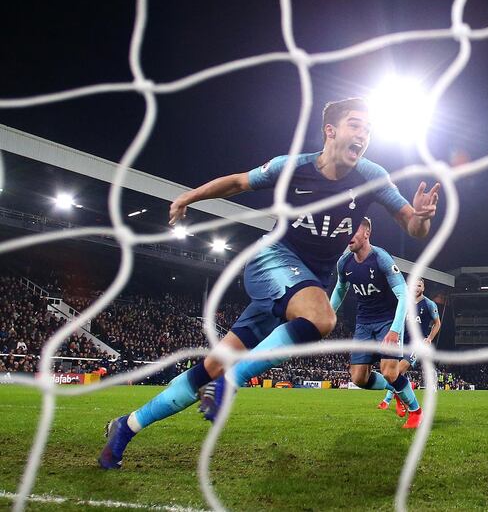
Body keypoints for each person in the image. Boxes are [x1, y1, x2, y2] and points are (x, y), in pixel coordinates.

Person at [98, 97, 440, 469]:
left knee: (210, 367)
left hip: (296, 286)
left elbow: (412, 225)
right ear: (331, 131)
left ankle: (126, 427)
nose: (364, 135)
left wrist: (421, 216)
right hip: (271, 261)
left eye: (368, 129)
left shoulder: (372, 176)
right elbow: (238, 182)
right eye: (356, 125)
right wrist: (189, 196)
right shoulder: (292, 168)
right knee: (322, 317)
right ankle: (229, 386)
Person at [328, 217, 423, 429]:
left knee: (390, 371)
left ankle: (416, 411)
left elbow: (403, 296)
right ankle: (398, 389)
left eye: (353, 231)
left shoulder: (381, 259)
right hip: (363, 323)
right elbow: (340, 290)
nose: (348, 236)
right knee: (358, 378)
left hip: (387, 321)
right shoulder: (344, 262)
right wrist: (327, 315)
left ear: (367, 233)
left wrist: (394, 330)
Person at [378, 279, 440, 416]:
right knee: (393, 374)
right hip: (400, 342)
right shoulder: (404, 303)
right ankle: (392, 398)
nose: (416, 288)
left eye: (419, 285)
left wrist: (429, 339)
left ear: (423, 288)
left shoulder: (429, 304)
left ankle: (394, 399)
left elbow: (437, 323)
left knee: (398, 371)